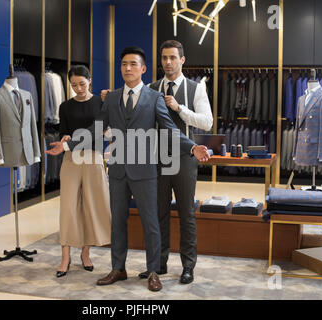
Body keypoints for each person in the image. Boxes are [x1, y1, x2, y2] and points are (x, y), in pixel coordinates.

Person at [48, 46, 210, 291]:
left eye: (133, 64)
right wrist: (68, 145)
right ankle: (118, 269)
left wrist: (191, 148)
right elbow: (96, 130)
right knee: (118, 222)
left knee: (151, 222)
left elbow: (168, 129)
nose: (128, 68)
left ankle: (154, 271)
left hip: (145, 170)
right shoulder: (111, 98)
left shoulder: (154, 97)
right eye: (124, 64)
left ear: (143, 69)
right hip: (118, 169)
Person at [138, 40, 213, 284]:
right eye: (164, 58)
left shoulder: (196, 88)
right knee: (159, 213)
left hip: (184, 158)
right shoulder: (150, 87)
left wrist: (180, 108)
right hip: (157, 159)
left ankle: (188, 267)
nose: (168, 62)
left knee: (186, 213)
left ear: (182, 60)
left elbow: (207, 122)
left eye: (172, 57)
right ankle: (158, 265)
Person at [45, 65, 111, 278]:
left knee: (92, 206)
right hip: (71, 158)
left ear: (90, 81)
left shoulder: (101, 103)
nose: (78, 88)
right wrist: (64, 137)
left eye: (82, 84)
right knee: (68, 207)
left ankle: (86, 253)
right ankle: (65, 256)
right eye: (74, 85)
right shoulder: (65, 106)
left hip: (93, 157)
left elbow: (101, 132)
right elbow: (64, 131)